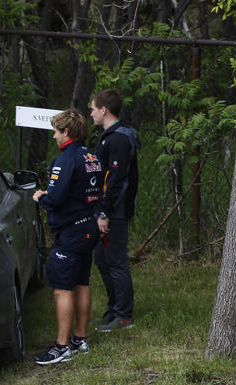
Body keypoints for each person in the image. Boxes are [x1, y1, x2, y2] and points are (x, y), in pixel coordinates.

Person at [32, 108, 103, 365]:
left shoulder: (64, 160)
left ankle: (62, 347)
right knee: (81, 282)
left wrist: (41, 198)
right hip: (89, 226)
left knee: (62, 288)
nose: (53, 136)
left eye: (55, 131)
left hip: (72, 231)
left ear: (67, 132)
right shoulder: (92, 156)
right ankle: (79, 338)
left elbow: (57, 198)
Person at [90, 89, 140, 332]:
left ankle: (124, 316)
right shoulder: (109, 137)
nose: (91, 114)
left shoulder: (118, 139)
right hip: (108, 209)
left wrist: (105, 212)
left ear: (104, 110)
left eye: (93, 109)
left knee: (116, 260)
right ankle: (114, 308)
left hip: (115, 212)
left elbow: (116, 179)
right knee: (101, 257)